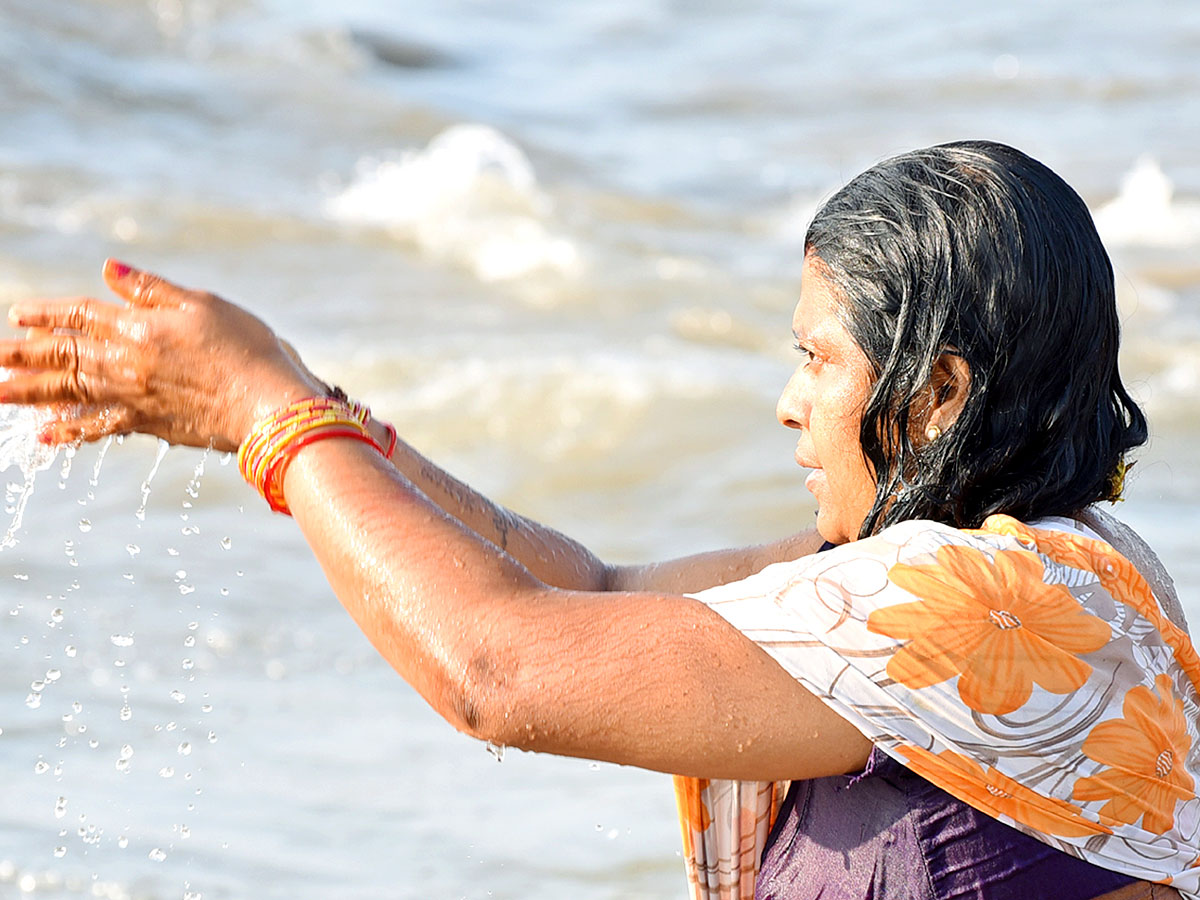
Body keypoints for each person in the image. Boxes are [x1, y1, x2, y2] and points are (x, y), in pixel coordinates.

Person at [0, 140, 1194, 900]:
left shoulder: (989, 607)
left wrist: (264, 413)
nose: (789, 407)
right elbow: (599, 593)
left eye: (815, 361)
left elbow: (498, 670)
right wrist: (319, 412)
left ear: (935, 393)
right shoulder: (1016, 572)